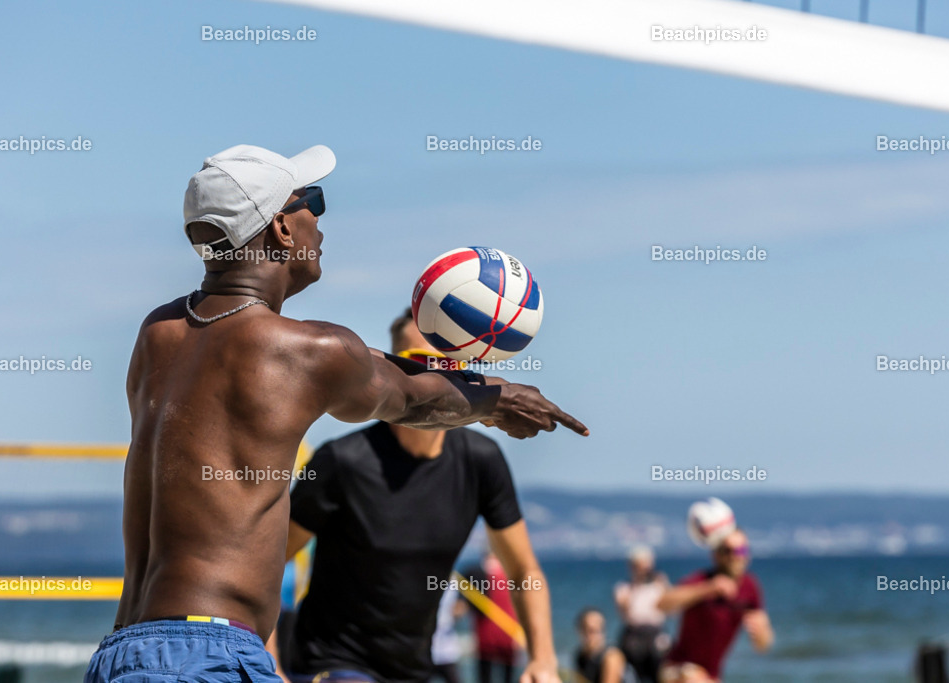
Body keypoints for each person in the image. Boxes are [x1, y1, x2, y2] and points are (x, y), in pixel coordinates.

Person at [83, 144, 588, 683]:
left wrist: (486, 389)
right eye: (314, 203)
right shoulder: (306, 351)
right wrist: (498, 400)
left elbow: (374, 364)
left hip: (124, 650)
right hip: (210, 655)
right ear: (280, 228)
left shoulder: (157, 334)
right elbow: (413, 398)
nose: (320, 223)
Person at [276, 308, 564, 683]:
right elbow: (268, 560)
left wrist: (543, 660)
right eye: (422, 363)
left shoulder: (480, 460)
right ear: (395, 370)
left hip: (415, 668)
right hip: (330, 665)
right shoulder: (342, 461)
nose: (438, 376)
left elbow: (524, 572)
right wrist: (269, 661)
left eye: (449, 363)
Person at [656, 530, 773, 683]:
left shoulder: (749, 587)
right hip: (679, 668)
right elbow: (662, 603)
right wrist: (708, 589)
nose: (735, 556)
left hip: (711, 675)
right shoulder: (703, 579)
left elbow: (763, 646)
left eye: (741, 550)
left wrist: (762, 632)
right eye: (727, 550)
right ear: (716, 554)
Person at [613, 546, 669, 683]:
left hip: (656, 635)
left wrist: (662, 584)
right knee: (631, 676)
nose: (643, 570)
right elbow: (625, 610)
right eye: (638, 566)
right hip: (633, 636)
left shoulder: (659, 585)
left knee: (661, 675)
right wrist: (636, 584)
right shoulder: (624, 587)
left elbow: (670, 606)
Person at [465, 552, 519, 683]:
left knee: (485, 675)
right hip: (507, 633)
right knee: (507, 676)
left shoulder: (477, 574)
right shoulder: (510, 576)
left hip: (487, 635)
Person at [573, 608, 626, 683]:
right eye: (588, 630)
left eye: (597, 630)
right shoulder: (581, 656)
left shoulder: (611, 656)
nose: (590, 636)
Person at [429, 585, 467, 683]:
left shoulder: (454, 583)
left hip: (447, 650)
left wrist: (456, 611)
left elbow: (461, 607)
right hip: (427, 650)